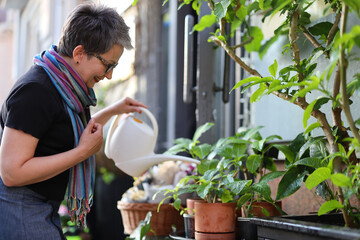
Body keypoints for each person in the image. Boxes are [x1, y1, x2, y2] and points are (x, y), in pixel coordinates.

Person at [0, 3, 146, 239]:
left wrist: (114, 110)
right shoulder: (35, 92)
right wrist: (81, 153)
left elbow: (62, 129)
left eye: (114, 66)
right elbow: (11, 172)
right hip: (20, 207)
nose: (109, 75)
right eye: (108, 65)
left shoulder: (63, 87)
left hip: (39, 206)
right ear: (79, 53)